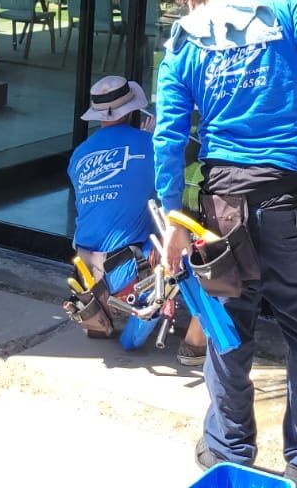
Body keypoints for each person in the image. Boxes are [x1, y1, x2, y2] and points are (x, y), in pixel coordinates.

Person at [152, 0, 297, 488]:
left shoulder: (182, 43)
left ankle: (228, 448)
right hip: (293, 204)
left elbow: (169, 137)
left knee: (227, 326)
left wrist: (174, 219)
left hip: (222, 212)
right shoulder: (281, 11)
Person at [68, 74, 206, 365]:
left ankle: (102, 312)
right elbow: (172, 179)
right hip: (126, 269)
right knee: (196, 244)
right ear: (131, 110)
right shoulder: (149, 145)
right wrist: (151, 140)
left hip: (86, 270)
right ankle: (195, 338)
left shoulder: (79, 155)